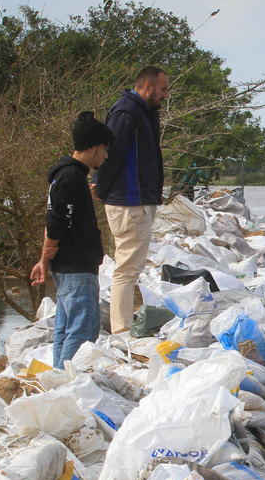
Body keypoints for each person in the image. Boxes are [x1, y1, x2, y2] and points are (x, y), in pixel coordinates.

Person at [31, 111, 114, 369]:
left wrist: (44, 260)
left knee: (65, 330)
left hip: (69, 267)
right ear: (91, 148)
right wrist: (47, 254)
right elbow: (57, 222)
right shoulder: (71, 177)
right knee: (82, 332)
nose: (105, 155)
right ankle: (67, 384)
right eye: (103, 149)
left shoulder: (65, 176)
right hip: (76, 268)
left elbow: (56, 219)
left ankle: (58, 378)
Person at [93, 65, 170, 333]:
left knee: (130, 269)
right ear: (147, 87)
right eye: (163, 89)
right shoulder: (126, 112)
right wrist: (99, 186)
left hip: (138, 200)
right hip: (128, 202)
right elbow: (110, 155)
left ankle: (122, 326)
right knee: (126, 270)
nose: (166, 95)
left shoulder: (145, 112)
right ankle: (121, 330)